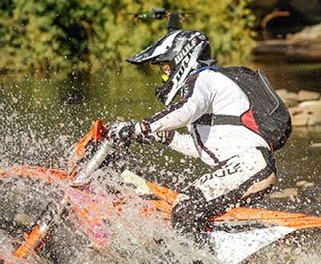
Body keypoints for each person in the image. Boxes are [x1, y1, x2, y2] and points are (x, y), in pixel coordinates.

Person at [107, 30, 279, 236]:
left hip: (249, 166)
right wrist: (165, 137)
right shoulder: (209, 83)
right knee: (185, 208)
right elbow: (203, 148)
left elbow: (187, 110)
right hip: (249, 165)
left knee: (185, 206)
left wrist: (139, 127)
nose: (165, 76)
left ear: (181, 58)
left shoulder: (203, 79)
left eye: (165, 69)